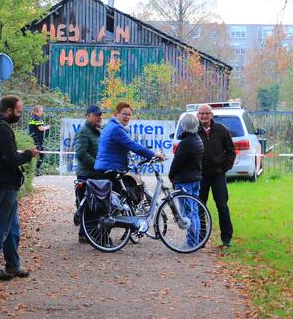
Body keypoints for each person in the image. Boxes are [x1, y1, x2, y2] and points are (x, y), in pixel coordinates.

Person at [0, 95, 39, 281]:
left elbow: (5, 155)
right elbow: (10, 160)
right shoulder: (1, 129)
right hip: (3, 184)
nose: (20, 115)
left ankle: (13, 265)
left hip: (6, 184)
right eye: (18, 111)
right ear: (8, 111)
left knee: (13, 229)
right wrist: (28, 155)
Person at [196, 104, 237, 247]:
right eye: (201, 114)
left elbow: (231, 151)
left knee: (222, 206)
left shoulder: (221, 130)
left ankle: (226, 239)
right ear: (198, 115)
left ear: (212, 115)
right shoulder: (194, 131)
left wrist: (224, 168)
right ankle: (201, 238)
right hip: (200, 176)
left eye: (207, 113)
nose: (204, 116)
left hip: (218, 175)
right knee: (199, 207)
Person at [93, 102, 165, 174]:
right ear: (116, 114)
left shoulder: (111, 126)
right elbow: (132, 145)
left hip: (106, 168)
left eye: (129, 115)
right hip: (109, 170)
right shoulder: (115, 129)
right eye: (124, 114)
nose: (127, 117)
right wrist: (153, 155)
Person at [169, 112, 204, 248]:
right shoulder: (198, 140)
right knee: (194, 212)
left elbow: (177, 163)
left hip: (185, 181)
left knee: (187, 214)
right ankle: (195, 241)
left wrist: (171, 176)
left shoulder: (186, 143)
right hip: (195, 180)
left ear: (184, 126)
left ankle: (191, 243)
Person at [72, 105, 103, 243]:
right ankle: (86, 234)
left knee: (94, 206)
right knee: (89, 206)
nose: (99, 117)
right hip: (87, 175)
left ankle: (86, 234)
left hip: (95, 174)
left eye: (100, 115)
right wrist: (97, 165)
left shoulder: (97, 132)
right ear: (88, 116)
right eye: (96, 115)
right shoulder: (83, 132)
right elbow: (81, 153)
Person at [28, 105, 50, 176]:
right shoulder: (36, 119)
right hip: (36, 139)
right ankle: (35, 170)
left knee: (35, 155)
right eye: (41, 111)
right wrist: (47, 127)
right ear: (37, 111)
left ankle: (34, 170)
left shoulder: (33, 118)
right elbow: (41, 128)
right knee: (40, 155)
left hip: (34, 138)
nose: (42, 112)